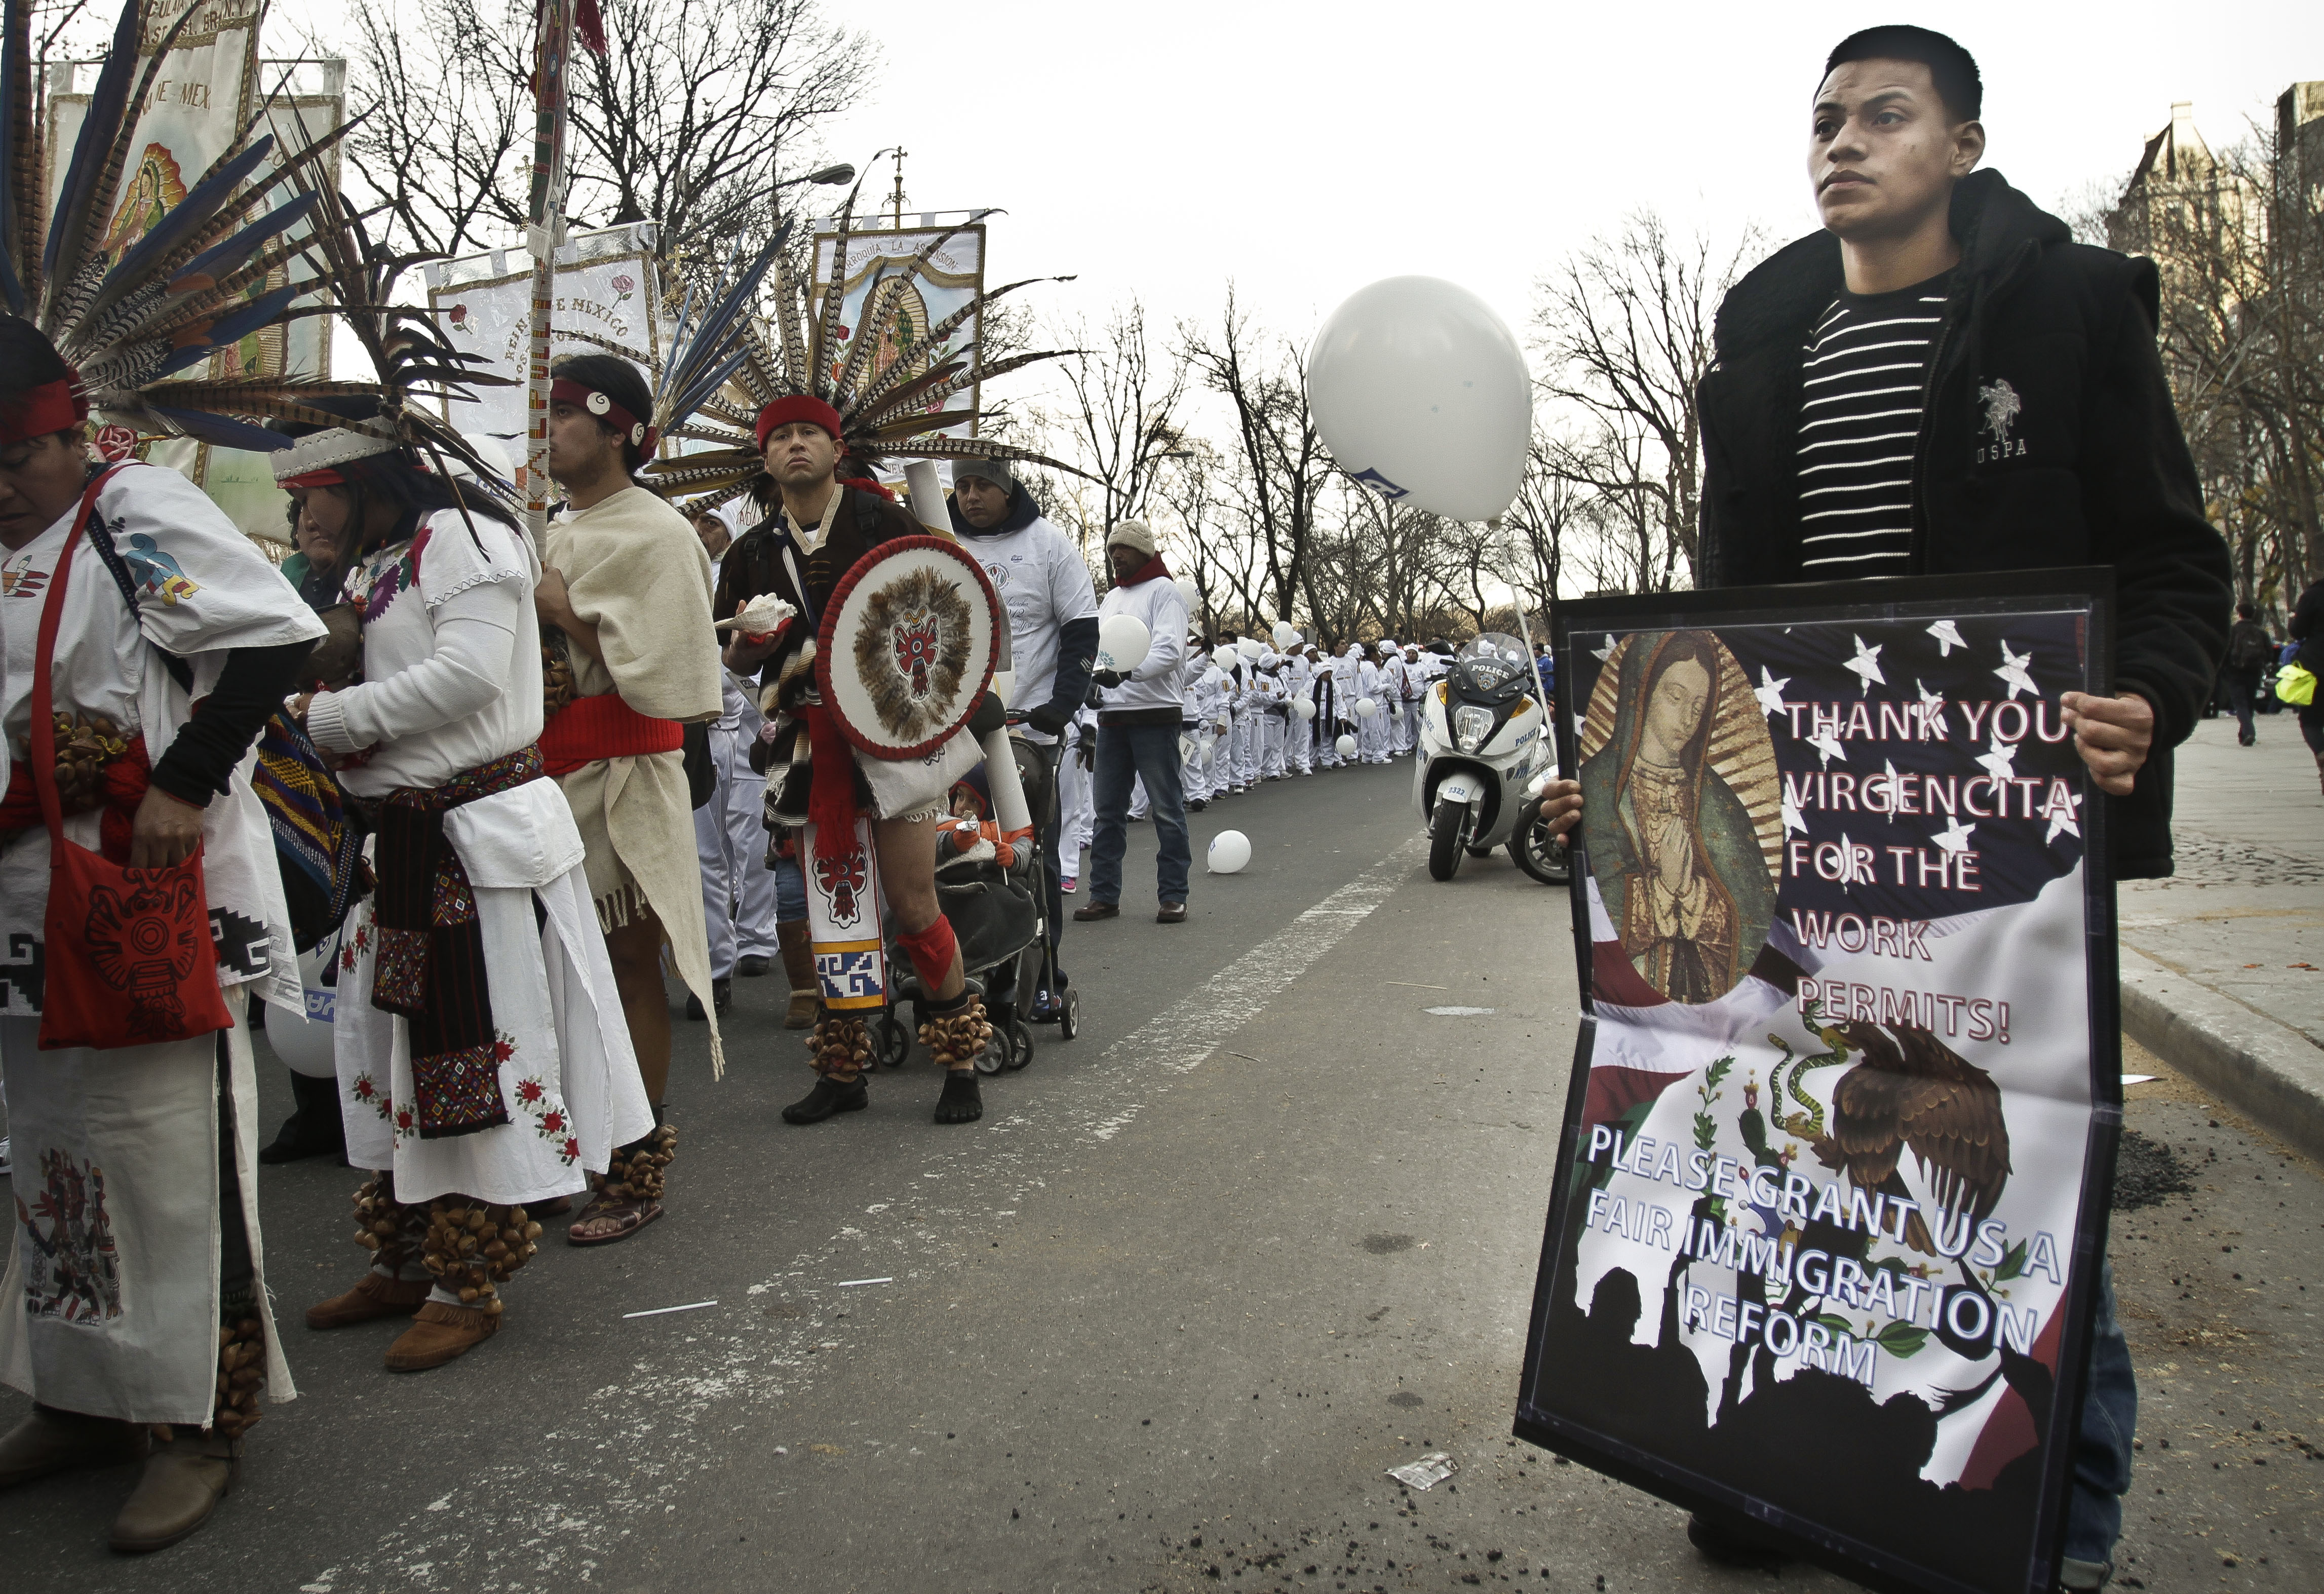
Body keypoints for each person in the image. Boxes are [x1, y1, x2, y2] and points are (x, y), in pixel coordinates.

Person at [1536, 28, 2230, 1591]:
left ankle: (2046, 1511)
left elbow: (2173, 560)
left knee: (2010, 1162)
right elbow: (1719, 623)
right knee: (1791, 1140)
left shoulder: (2067, 308)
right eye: (1823, 120)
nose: (1841, 142)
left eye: (1884, 115)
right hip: (1805, 840)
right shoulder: (1758, 349)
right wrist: (1620, 768)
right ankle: (1777, 1459)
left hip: (1999, 842)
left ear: (1961, 145)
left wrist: (2149, 695)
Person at [0, 319, 325, 1550]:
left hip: (139, 888)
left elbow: (273, 637)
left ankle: (201, 1418)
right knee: (54, 1153)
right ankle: (84, 1396)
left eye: (15, 463)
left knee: (170, 1152)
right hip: (28, 898)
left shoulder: (129, 511)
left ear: (71, 436)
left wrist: (184, 782)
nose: (1, 489)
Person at [279, 402, 653, 1369]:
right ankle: (406, 1255)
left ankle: (467, 1279)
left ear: (366, 477)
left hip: (473, 850)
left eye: (315, 492)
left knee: (473, 1058)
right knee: (392, 1058)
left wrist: (327, 719)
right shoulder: (372, 559)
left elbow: (471, 677)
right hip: (401, 846)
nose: (305, 514)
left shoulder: (464, 535)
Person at [719, 398, 999, 1125]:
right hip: (809, 744)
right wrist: (749, 646)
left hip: (893, 731)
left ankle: (960, 1061)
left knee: (913, 901)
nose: (796, 444)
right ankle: (843, 1070)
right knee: (835, 909)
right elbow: (733, 658)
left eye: (810, 432)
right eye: (781, 436)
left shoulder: (884, 523)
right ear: (764, 457)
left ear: (837, 448)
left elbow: (945, 612)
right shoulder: (751, 552)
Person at [535, 354, 722, 1241]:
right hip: (539, 783)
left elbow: (675, 678)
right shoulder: (540, 529)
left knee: (625, 963)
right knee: (547, 978)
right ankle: (557, 1150)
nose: (548, 430)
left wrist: (563, 613)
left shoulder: (658, 534)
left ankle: (634, 1163)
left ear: (616, 430)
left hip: (624, 779)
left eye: (565, 414)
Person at [949, 456, 1100, 1022]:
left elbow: (1081, 632)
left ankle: (1041, 977)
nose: (970, 496)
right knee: (949, 849)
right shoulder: (940, 541)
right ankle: (952, 972)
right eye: (962, 486)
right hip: (952, 731)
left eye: (982, 485)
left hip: (1026, 732)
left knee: (1028, 857)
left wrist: (1063, 704)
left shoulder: (1049, 545)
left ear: (1007, 488)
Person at [1074, 521, 1191, 924]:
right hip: (1113, 717)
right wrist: (1093, 683)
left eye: (1123, 549)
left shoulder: (1165, 592)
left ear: (1144, 551)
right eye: (1112, 551)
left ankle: (1173, 894)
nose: (1116, 557)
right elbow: (1102, 650)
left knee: (1166, 808)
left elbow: (1170, 650)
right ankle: (1104, 894)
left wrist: (1128, 673)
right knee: (1107, 812)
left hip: (1155, 714)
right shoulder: (1111, 599)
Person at [2221, 602, 2272, 748]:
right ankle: (2244, 734)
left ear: (2239, 614)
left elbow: (2225, 652)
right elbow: (2269, 653)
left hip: (2235, 671)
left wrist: (2224, 669)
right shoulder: (2261, 632)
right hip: (2255, 671)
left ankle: (2249, 732)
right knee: (2249, 702)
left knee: (2240, 703)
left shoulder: (2233, 631)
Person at [2290, 577, 2324, 794]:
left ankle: (2322, 753)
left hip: (2316, 664)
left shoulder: (2313, 595)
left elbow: (2298, 630)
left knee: (2310, 719)